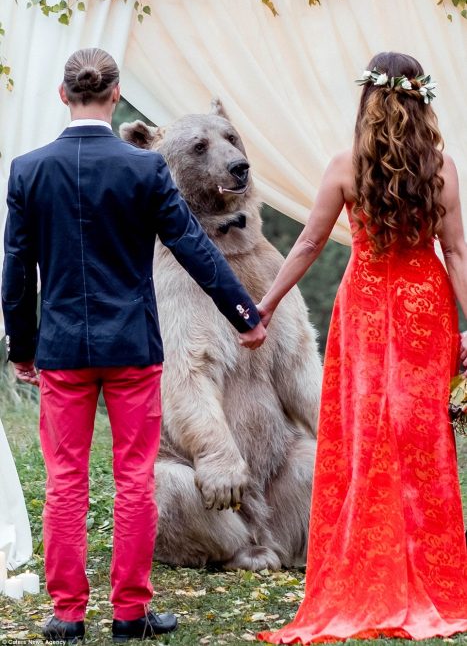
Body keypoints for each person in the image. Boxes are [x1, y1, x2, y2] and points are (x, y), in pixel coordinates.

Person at [2, 47, 266, 643]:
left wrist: (23, 344)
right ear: (115, 95)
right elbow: (197, 250)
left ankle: (67, 615)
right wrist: (245, 313)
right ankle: (129, 612)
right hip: (133, 349)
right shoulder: (144, 169)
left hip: (64, 350)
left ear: (63, 96)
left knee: (65, 481)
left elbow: (17, 268)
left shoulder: (28, 169)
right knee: (134, 478)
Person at [257, 51, 467, 643]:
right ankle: (430, 573)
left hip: (369, 308)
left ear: (368, 100)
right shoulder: (443, 168)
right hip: (426, 306)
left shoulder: (347, 165)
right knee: (422, 436)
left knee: (366, 436)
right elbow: (455, 253)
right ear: (422, 101)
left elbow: (306, 244)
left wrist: (266, 306)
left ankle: (368, 568)